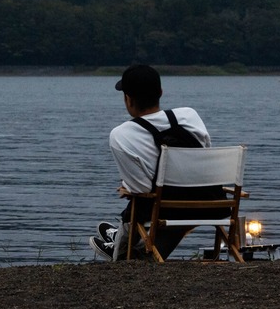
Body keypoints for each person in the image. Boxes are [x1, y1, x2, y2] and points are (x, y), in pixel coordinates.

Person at [90, 64, 211, 261]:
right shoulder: (190, 115)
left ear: (127, 99)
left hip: (165, 207)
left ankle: (120, 249)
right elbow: (203, 157)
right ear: (160, 92)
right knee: (163, 204)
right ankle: (120, 239)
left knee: (138, 204)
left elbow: (141, 189)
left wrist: (126, 187)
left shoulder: (121, 135)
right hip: (209, 202)